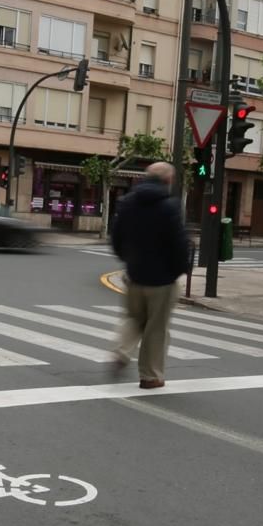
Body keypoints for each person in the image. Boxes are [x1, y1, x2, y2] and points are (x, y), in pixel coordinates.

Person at [110, 161, 190, 389]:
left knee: (134, 318)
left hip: (135, 275)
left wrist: (128, 261)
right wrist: (179, 269)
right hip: (162, 279)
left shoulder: (127, 203)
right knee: (156, 328)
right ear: (168, 181)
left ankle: (121, 351)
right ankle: (150, 376)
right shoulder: (169, 206)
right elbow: (179, 243)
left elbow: (116, 237)